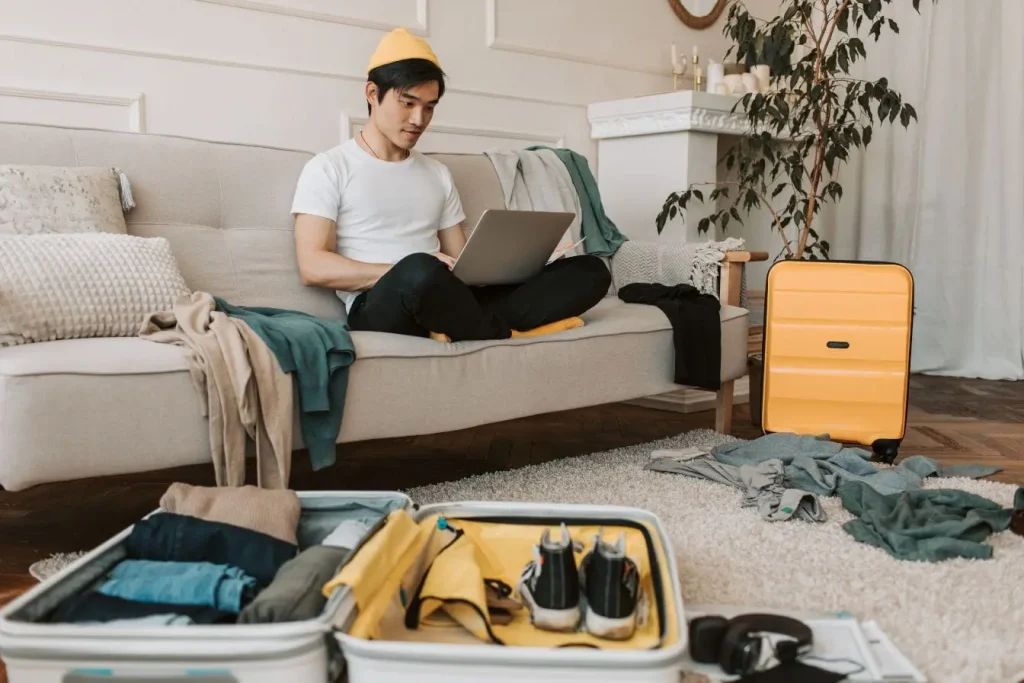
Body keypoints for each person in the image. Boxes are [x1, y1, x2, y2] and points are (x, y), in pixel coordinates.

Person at [291, 28, 611, 342]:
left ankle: (466, 327)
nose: (419, 119)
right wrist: (404, 269)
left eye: (429, 107)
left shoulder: (437, 173)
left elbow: (462, 262)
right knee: (419, 270)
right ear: (372, 94)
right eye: (408, 103)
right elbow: (313, 266)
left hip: (449, 297)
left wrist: (527, 263)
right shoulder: (328, 168)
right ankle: (500, 331)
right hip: (383, 303)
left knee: (590, 272)